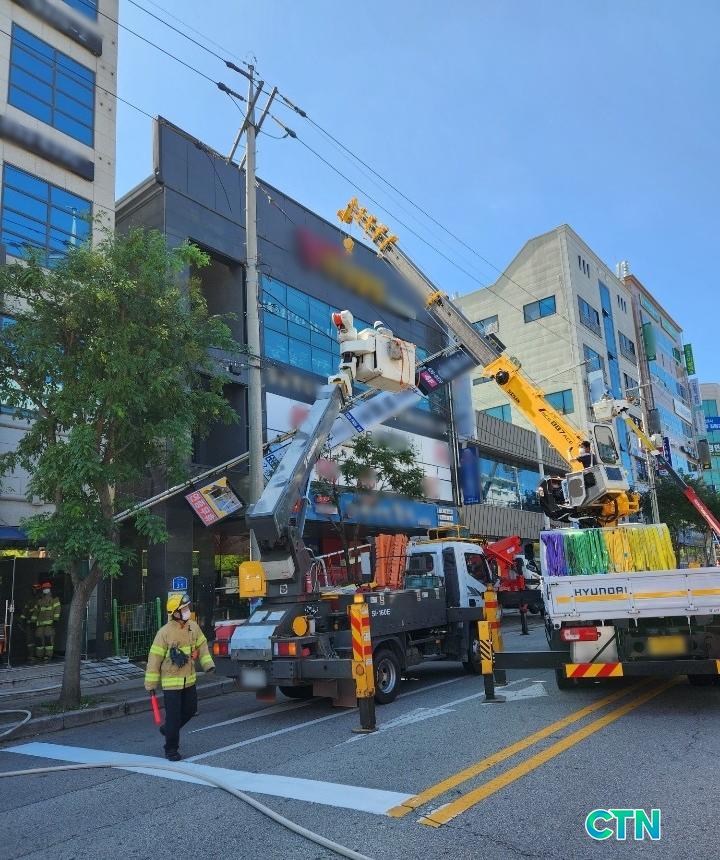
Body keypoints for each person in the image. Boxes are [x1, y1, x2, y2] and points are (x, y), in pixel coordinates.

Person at [144, 593, 215, 761]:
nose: (187, 610)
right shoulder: (164, 633)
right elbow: (154, 659)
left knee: (190, 710)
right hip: (171, 683)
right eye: (184, 608)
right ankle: (171, 749)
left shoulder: (193, 627)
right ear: (175, 613)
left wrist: (208, 664)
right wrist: (151, 683)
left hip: (189, 680)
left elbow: (202, 645)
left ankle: (168, 729)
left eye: (187, 607)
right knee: (174, 717)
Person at [32, 582, 61, 662]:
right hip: (40, 625)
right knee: (39, 640)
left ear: (50, 589)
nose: (45, 589)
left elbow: (57, 609)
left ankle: (48, 656)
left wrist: (55, 620)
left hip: (50, 624)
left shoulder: (54, 599)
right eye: (44, 588)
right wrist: (33, 621)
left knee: (48, 640)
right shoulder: (40, 600)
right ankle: (39, 656)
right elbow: (35, 612)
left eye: (47, 588)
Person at [19, 583, 41, 664]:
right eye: (33, 589)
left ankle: (39, 656)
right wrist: (21, 621)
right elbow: (24, 612)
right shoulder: (29, 601)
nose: (34, 591)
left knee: (39, 640)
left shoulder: (42, 600)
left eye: (36, 589)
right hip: (30, 624)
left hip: (40, 624)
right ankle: (31, 656)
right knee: (30, 641)